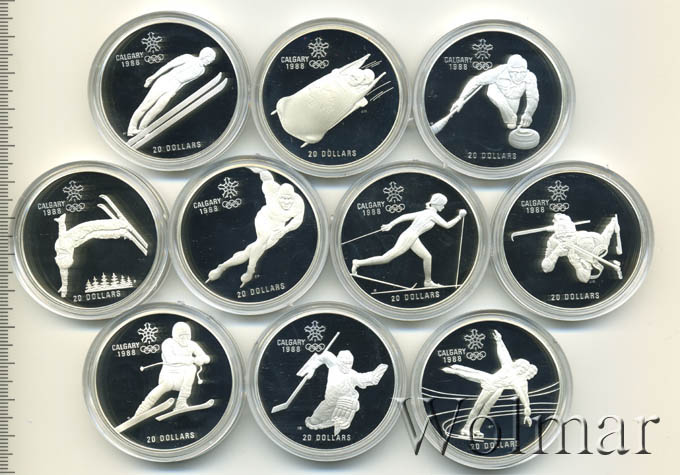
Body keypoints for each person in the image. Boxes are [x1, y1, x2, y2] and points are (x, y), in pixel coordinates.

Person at [206, 167, 305, 287]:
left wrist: (285, 230)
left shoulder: (299, 203)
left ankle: (222, 267)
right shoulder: (272, 190)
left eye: (289, 199)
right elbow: (266, 176)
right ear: (277, 195)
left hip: (279, 226)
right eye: (283, 198)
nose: (286, 202)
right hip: (264, 218)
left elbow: (298, 220)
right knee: (263, 239)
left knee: (251, 251)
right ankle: (250, 270)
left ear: (293, 197)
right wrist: (253, 166)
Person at [351, 193, 466, 287]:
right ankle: (358, 262)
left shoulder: (425, 212)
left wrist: (391, 224)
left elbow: (404, 216)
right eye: (443, 205)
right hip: (409, 237)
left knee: (427, 257)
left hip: (413, 237)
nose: (443, 207)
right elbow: (447, 225)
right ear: (437, 204)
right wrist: (459, 217)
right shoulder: (432, 214)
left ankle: (428, 282)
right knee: (386, 258)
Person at [442, 330, 537, 439]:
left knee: (485, 409)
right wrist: (499, 341)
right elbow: (503, 353)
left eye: (526, 371)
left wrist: (527, 410)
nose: (525, 372)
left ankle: (476, 429)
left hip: (497, 389)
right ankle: (466, 428)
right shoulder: (509, 367)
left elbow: (523, 394)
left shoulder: (520, 380)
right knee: (477, 403)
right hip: (490, 383)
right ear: (517, 366)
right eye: (522, 368)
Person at [127, 47, 217, 136]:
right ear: (205, 55)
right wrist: (153, 77)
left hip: (174, 87)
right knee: (146, 105)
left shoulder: (201, 70)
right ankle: (131, 129)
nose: (210, 62)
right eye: (211, 59)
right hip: (166, 81)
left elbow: (184, 83)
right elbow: (169, 65)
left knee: (158, 108)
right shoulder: (188, 57)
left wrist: (175, 91)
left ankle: (142, 129)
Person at [301, 349, 388, 435]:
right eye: (344, 363)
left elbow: (368, 379)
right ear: (338, 362)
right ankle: (326, 423)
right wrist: (312, 368)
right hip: (328, 403)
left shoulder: (353, 375)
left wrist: (376, 374)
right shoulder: (333, 366)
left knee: (339, 420)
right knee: (314, 421)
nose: (347, 366)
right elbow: (324, 356)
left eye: (349, 363)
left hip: (343, 404)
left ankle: (339, 419)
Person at [134, 322, 210, 415]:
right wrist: (192, 359)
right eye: (181, 336)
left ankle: (181, 402)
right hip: (169, 375)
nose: (184, 338)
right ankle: (141, 410)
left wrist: (201, 359)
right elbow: (171, 359)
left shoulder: (192, 344)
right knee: (164, 386)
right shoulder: (168, 343)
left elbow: (206, 358)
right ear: (175, 335)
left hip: (182, 377)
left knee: (192, 368)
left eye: (187, 335)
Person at [450, 54, 539, 130]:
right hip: (497, 90)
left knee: (511, 121)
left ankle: (511, 117)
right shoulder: (499, 71)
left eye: (522, 72)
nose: (518, 76)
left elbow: (533, 97)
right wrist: (461, 99)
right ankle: (510, 116)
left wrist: (528, 114)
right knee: (492, 92)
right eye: (514, 72)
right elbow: (476, 80)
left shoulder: (530, 76)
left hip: (514, 97)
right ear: (508, 69)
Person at [541, 213, 621, 283]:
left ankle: (613, 223)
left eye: (568, 235)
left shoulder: (584, 239)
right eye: (562, 236)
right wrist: (555, 253)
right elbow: (546, 268)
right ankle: (612, 223)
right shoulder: (553, 241)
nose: (565, 238)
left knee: (607, 234)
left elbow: (584, 278)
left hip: (597, 243)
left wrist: (576, 263)